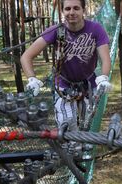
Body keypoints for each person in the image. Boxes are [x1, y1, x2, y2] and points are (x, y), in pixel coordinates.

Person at [20, 0, 112, 131]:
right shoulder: (56, 31)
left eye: (76, 8)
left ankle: (82, 149)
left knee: (86, 126)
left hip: (89, 85)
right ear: (63, 11)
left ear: (83, 10)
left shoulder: (95, 29)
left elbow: (105, 58)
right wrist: (32, 78)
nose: (72, 12)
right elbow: (26, 56)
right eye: (67, 9)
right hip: (63, 85)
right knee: (67, 125)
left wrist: (104, 77)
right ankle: (70, 150)